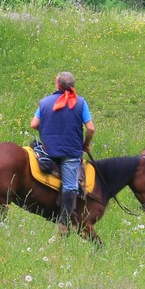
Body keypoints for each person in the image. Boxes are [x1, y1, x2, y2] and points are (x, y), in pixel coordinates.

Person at [30, 71, 95, 233]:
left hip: (48, 149)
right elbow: (91, 128)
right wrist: (86, 144)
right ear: (73, 85)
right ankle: (64, 225)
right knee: (70, 186)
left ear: (57, 83)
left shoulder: (45, 102)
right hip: (70, 152)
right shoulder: (81, 103)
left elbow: (34, 124)